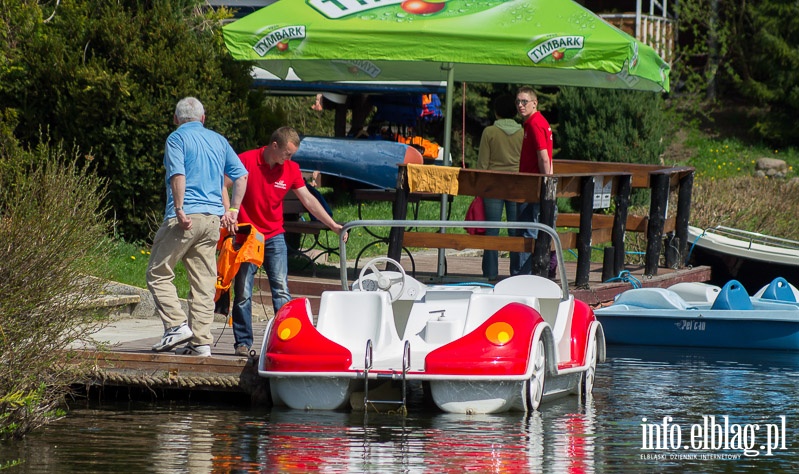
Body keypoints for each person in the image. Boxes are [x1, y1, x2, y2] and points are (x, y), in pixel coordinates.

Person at [225, 127, 347, 357]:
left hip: (274, 235)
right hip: (247, 235)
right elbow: (223, 184)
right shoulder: (246, 160)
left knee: (281, 289)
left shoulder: (291, 169)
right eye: (287, 153)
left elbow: (308, 200)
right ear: (274, 146)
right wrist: (228, 213)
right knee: (243, 292)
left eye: (292, 155)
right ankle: (243, 342)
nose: (289, 158)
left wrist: (332, 224)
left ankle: (285, 340)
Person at [148, 97, 248, 357]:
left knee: (158, 272)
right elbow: (241, 175)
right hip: (213, 219)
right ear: (203, 119)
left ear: (175, 119)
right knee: (204, 282)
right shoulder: (218, 140)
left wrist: (179, 208)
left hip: (186, 218)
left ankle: (176, 325)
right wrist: (233, 210)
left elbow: (177, 174)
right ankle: (201, 342)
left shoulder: (176, 139)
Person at [476, 95, 523, 281]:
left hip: (493, 186)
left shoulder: (489, 132)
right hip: (517, 185)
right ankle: (517, 274)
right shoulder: (522, 132)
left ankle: (490, 273)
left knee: (492, 230)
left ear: (496, 112)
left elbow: (482, 164)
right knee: (515, 230)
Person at [512, 86, 555, 277]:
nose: (520, 105)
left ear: (534, 103)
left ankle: (523, 277)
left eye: (524, 102)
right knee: (538, 230)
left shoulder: (535, 123)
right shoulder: (534, 122)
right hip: (532, 187)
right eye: (518, 102)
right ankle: (534, 274)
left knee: (528, 233)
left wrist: (547, 186)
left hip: (534, 188)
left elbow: (544, 157)